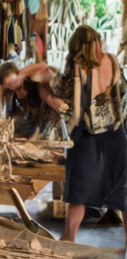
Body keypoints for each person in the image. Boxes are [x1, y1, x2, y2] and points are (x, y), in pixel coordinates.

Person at [51, 25, 127, 242]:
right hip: (115, 134)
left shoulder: (76, 67)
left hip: (86, 137)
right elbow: (121, 91)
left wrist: (47, 96)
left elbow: (65, 100)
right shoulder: (112, 61)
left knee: (78, 193)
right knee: (122, 192)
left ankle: (68, 238)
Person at [0, 60, 69, 140]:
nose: (14, 84)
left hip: (43, 129)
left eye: (14, 80)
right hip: (25, 136)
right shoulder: (10, 98)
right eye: (9, 84)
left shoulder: (34, 85)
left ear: (19, 74)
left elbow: (45, 67)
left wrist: (67, 112)